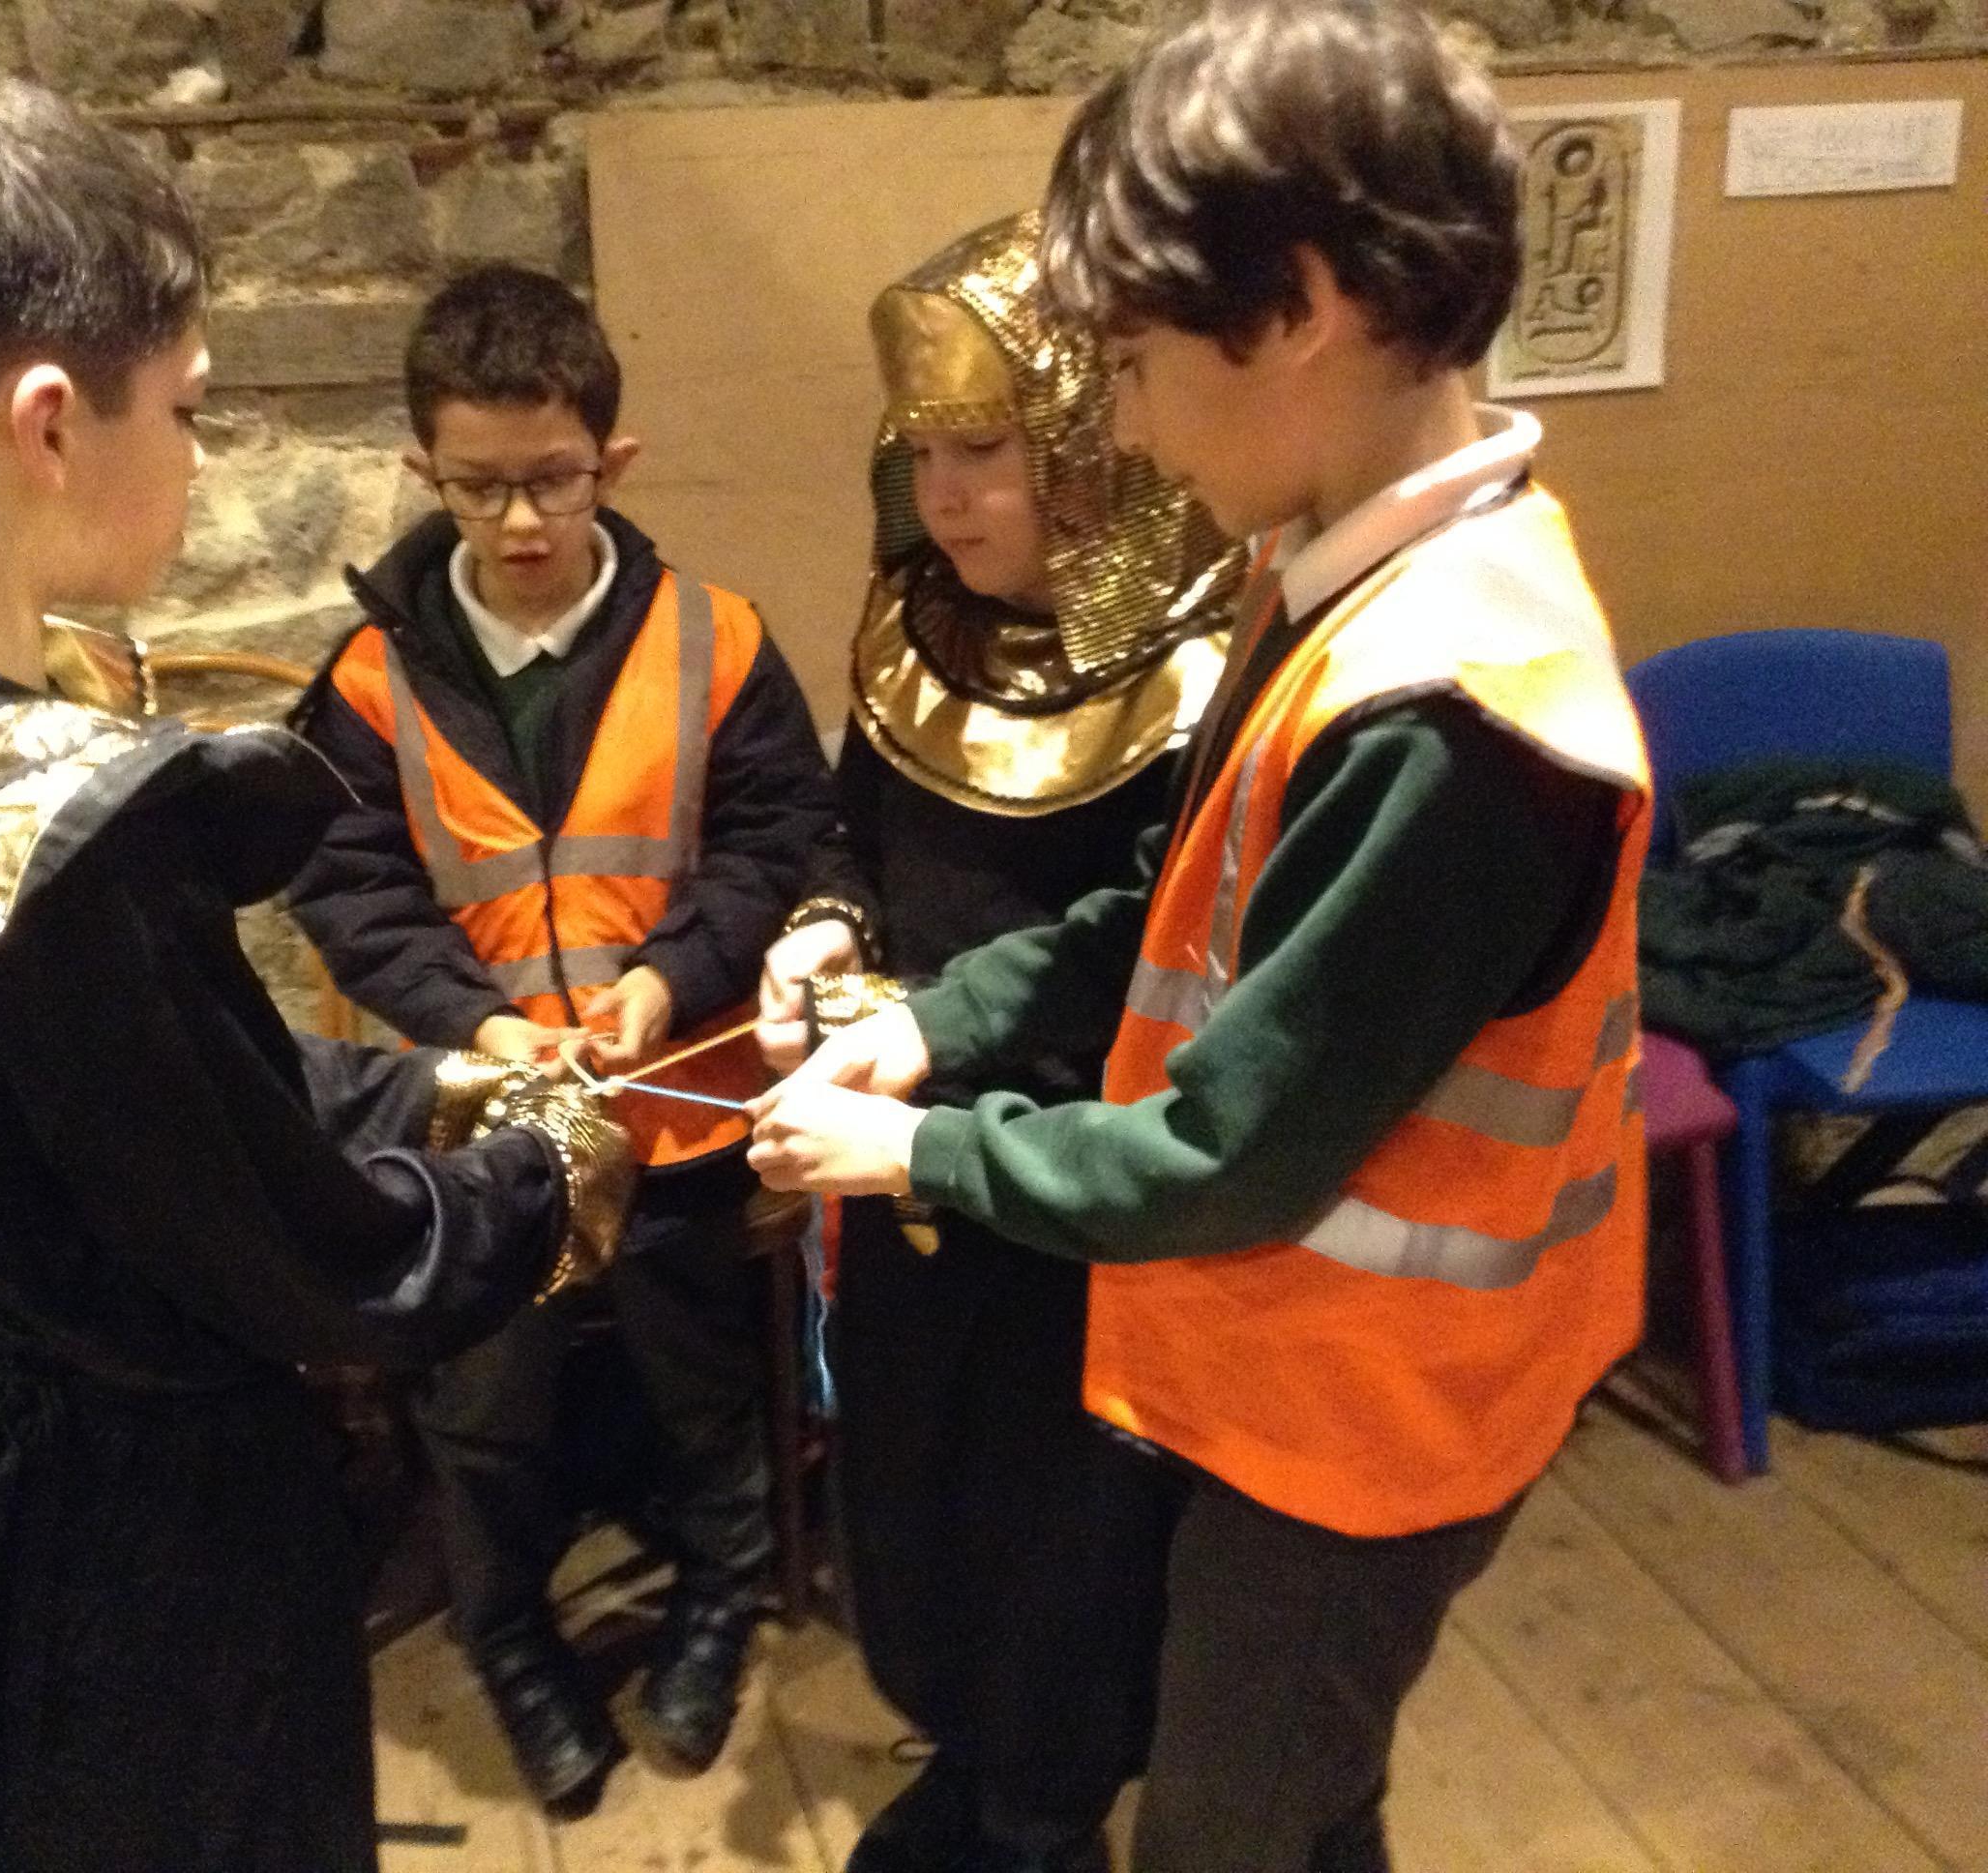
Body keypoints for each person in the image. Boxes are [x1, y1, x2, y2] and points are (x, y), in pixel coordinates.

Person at [0, 60, 631, 1873]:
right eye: (184, 406)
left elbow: (149, 1119)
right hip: (144, 1539)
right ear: (47, 422)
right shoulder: (60, 829)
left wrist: (428, 1079)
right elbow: (323, 1260)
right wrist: (551, 1172)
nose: (196, 453)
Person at [749, 5, 1653, 1868]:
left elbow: (1228, 1151)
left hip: (1367, 1431)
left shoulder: (1450, 713)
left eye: (1138, 362)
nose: (1134, 426)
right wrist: (937, 1021)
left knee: (1233, 1829)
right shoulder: (1332, 575)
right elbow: (1170, 908)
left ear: (1301, 304)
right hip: (1292, 1381)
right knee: (1312, 1803)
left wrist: (914, 1151)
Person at [286, 265, 837, 1815]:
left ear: (614, 460)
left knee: (701, 1378)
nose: (520, 522)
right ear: (426, 471)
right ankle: (511, 1636)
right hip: (487, 1129)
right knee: (485, 1402)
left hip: (674, 1104)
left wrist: (673, 975)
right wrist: (475, 1024)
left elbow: (777, 835)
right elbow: (350, 887)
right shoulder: (371, 680)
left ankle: (718, 1600)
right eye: (479, 488)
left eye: (554, 480)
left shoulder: (714, 640)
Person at [752, 211, 1241, 1873]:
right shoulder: (918, 618)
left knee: (1067, 1541)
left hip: (1075, 1184)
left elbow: (1146, 943)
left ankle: (1040, 1812)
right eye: (923, 452)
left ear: (1088, 448)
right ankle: (972, 1764)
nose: (947, 495)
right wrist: (831, 924)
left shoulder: (1203, 673)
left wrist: (928, 1041)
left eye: (987, 451)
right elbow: (857, 831)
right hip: (900, 1163)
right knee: (917, 1502)